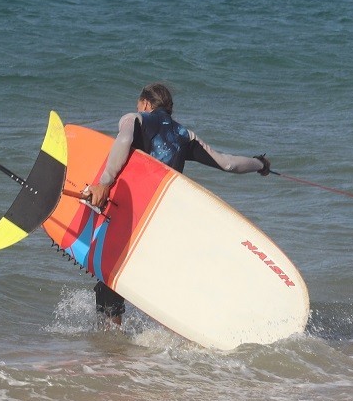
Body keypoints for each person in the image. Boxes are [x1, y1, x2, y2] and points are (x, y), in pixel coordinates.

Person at [85, 82, 271, 326]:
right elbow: (228, 164)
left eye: (139, 104)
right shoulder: (185, 135)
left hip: (135, 214)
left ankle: (113, 346)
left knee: (111, 280)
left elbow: (123, 141)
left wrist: (104, 183)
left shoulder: (135, 119)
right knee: (133, 277)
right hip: (163, 218)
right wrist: (260, 164)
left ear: (146, 104)